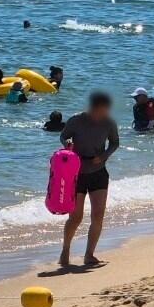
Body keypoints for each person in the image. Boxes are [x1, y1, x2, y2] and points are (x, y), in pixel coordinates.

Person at [57, 90, 119, 268]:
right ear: (95, 107)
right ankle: (66, 249)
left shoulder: (109, 123)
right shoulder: (77, 120)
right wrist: (67, 144)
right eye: (104, 108)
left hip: (99, 171)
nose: (106, 112)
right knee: (76, 217)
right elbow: (63, 135)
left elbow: (115, 143)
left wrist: (105, 155)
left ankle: (89, 254)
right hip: (76, 173)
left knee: (98, 214)